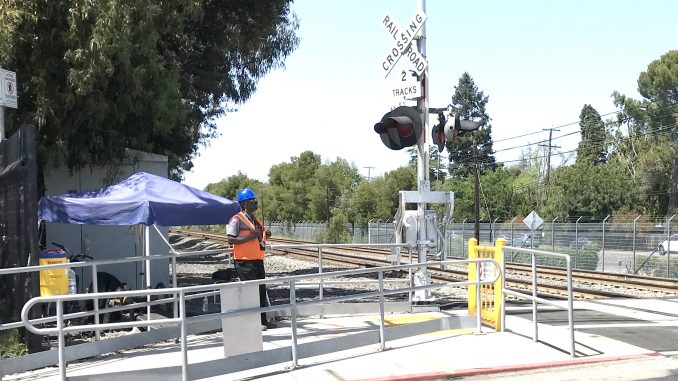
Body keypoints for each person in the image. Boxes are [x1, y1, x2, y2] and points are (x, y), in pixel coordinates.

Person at [226, 188, 275, 330]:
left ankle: (263, 320)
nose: (256, 203)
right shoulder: (236, 219)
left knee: (260, 290)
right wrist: (250, 237)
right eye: (253, 201)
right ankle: (254, 323)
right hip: (244, 261)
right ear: (245, 203)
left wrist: (267, 235)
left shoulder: (254, 220)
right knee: (251, 293)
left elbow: (259, 235)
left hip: (257, 260)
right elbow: (230, 239)